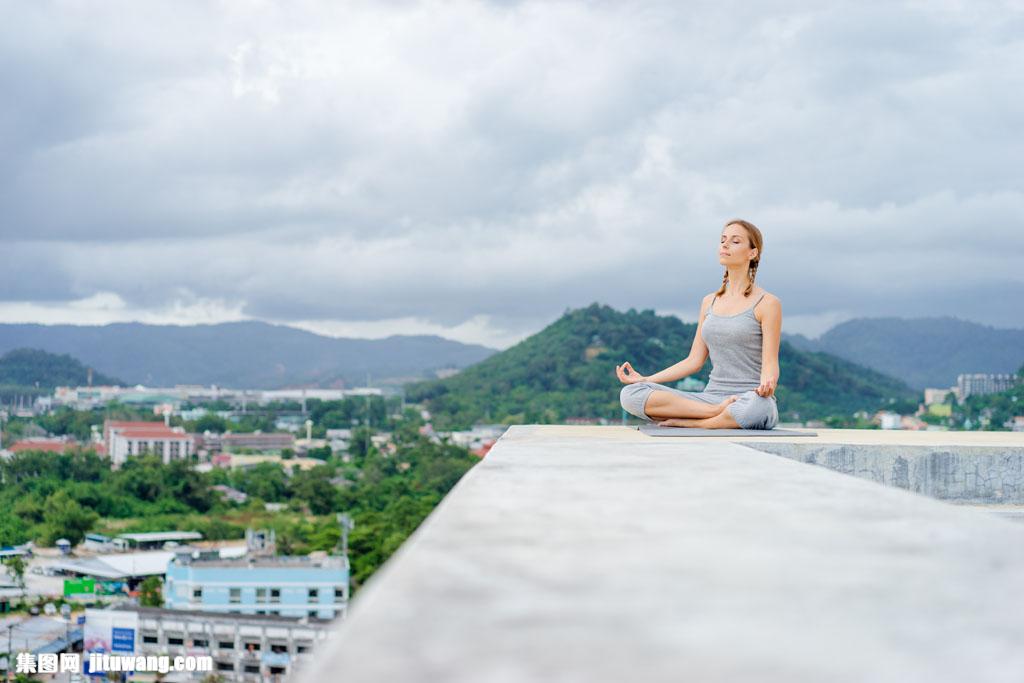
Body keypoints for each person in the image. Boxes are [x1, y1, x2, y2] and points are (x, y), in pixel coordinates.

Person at [616, 219, 781, 430]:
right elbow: (694, 361)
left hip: (749, 399)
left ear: (752, 253)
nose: (725, 245)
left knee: (759, 408)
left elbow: (770, 362)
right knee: (631, 394)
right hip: (711, 400)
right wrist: (647, 379)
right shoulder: (709, 302)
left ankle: (696, 423)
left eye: (735, 241)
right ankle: (713, 415)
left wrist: (768, 384)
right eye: (723, 240)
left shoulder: (768, 303)